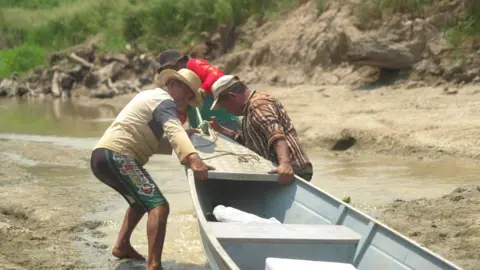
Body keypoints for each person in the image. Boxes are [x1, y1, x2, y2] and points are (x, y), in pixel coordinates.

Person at [90, 68, 213, 270]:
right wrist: (194, 158)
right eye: (187, 92)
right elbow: (173, 129)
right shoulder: (165, 101)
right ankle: (154, 265)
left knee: (140, 202)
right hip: (119, 156)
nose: (187, 100)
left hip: (103, 156)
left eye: (191, 96)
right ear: (172, 84)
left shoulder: (151, 97)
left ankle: (122, 245)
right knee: (159, 206)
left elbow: (149, 141)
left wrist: (185, 136)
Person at [208, 75, 313, 184]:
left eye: (226, 107)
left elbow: (276, 133)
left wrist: (285, 164)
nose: (228, 111)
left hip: (292, 169)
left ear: (232, 96)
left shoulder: (258, 105)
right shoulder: (249, 111)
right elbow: (247, 141)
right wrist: (221, 130)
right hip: (280, 171)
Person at [156, 50, 241, 131]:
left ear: (182, 61)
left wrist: (202, 90)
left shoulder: (192, 65)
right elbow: (182, 118)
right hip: (202, 129)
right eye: (168, 69)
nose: (173, 71)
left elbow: (215, 74)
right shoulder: (174, 83)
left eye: (173, 67)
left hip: (225, 122)